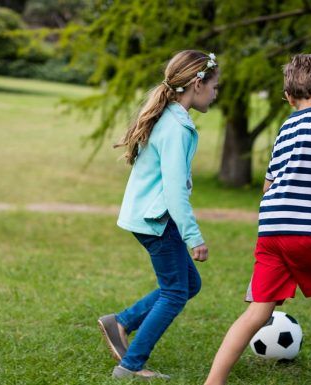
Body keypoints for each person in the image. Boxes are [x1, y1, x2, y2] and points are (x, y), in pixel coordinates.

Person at [204, 53, 311, 385]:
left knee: (259, 310)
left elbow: (268, 183)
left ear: (288, 98)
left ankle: (213, 382)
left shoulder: (285, 128)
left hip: (270, 231)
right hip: (308, 232)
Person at [97, 50, 219, 381]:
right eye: (214, 86)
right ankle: (130, 365)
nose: (216, 93)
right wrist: (194, 236)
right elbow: (175, 192)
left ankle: (121, 322)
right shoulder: (177, 128)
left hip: (147, 216)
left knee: (188, 284)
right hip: (157, 220)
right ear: (197, 84)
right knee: (176, 291)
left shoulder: (168, 118)